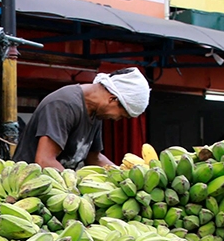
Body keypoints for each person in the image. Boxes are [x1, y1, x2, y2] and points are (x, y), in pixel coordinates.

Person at [14, 68, 151, 170]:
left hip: (64, 190)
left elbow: (94, 158)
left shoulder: (95, 112)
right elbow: (45, 161)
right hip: (31, 188)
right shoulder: (63, 104)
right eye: (121, 115)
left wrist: (123, 176)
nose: (117, 120)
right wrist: (78, 188)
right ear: (113, 99)